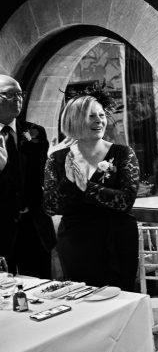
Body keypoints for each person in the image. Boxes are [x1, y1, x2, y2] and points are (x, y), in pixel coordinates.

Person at [43, 95, 140, 292]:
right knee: (84, 298)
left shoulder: (123, 154)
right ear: (74, 120)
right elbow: (51, 206)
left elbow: (125, 201)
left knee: (121, 298)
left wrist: (86, 186)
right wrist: (68, 182)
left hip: (117, 239)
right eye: (91, 116)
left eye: (101, 115)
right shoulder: (58, 158)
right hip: (77, 242)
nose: (99, 120)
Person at [0, 75, 56, 278]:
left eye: (19, 94)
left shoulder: (34, 132)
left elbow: (42, 175)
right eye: (9, 94)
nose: (17, 99)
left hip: (33, 225)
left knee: (41, 287)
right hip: (2, 227)